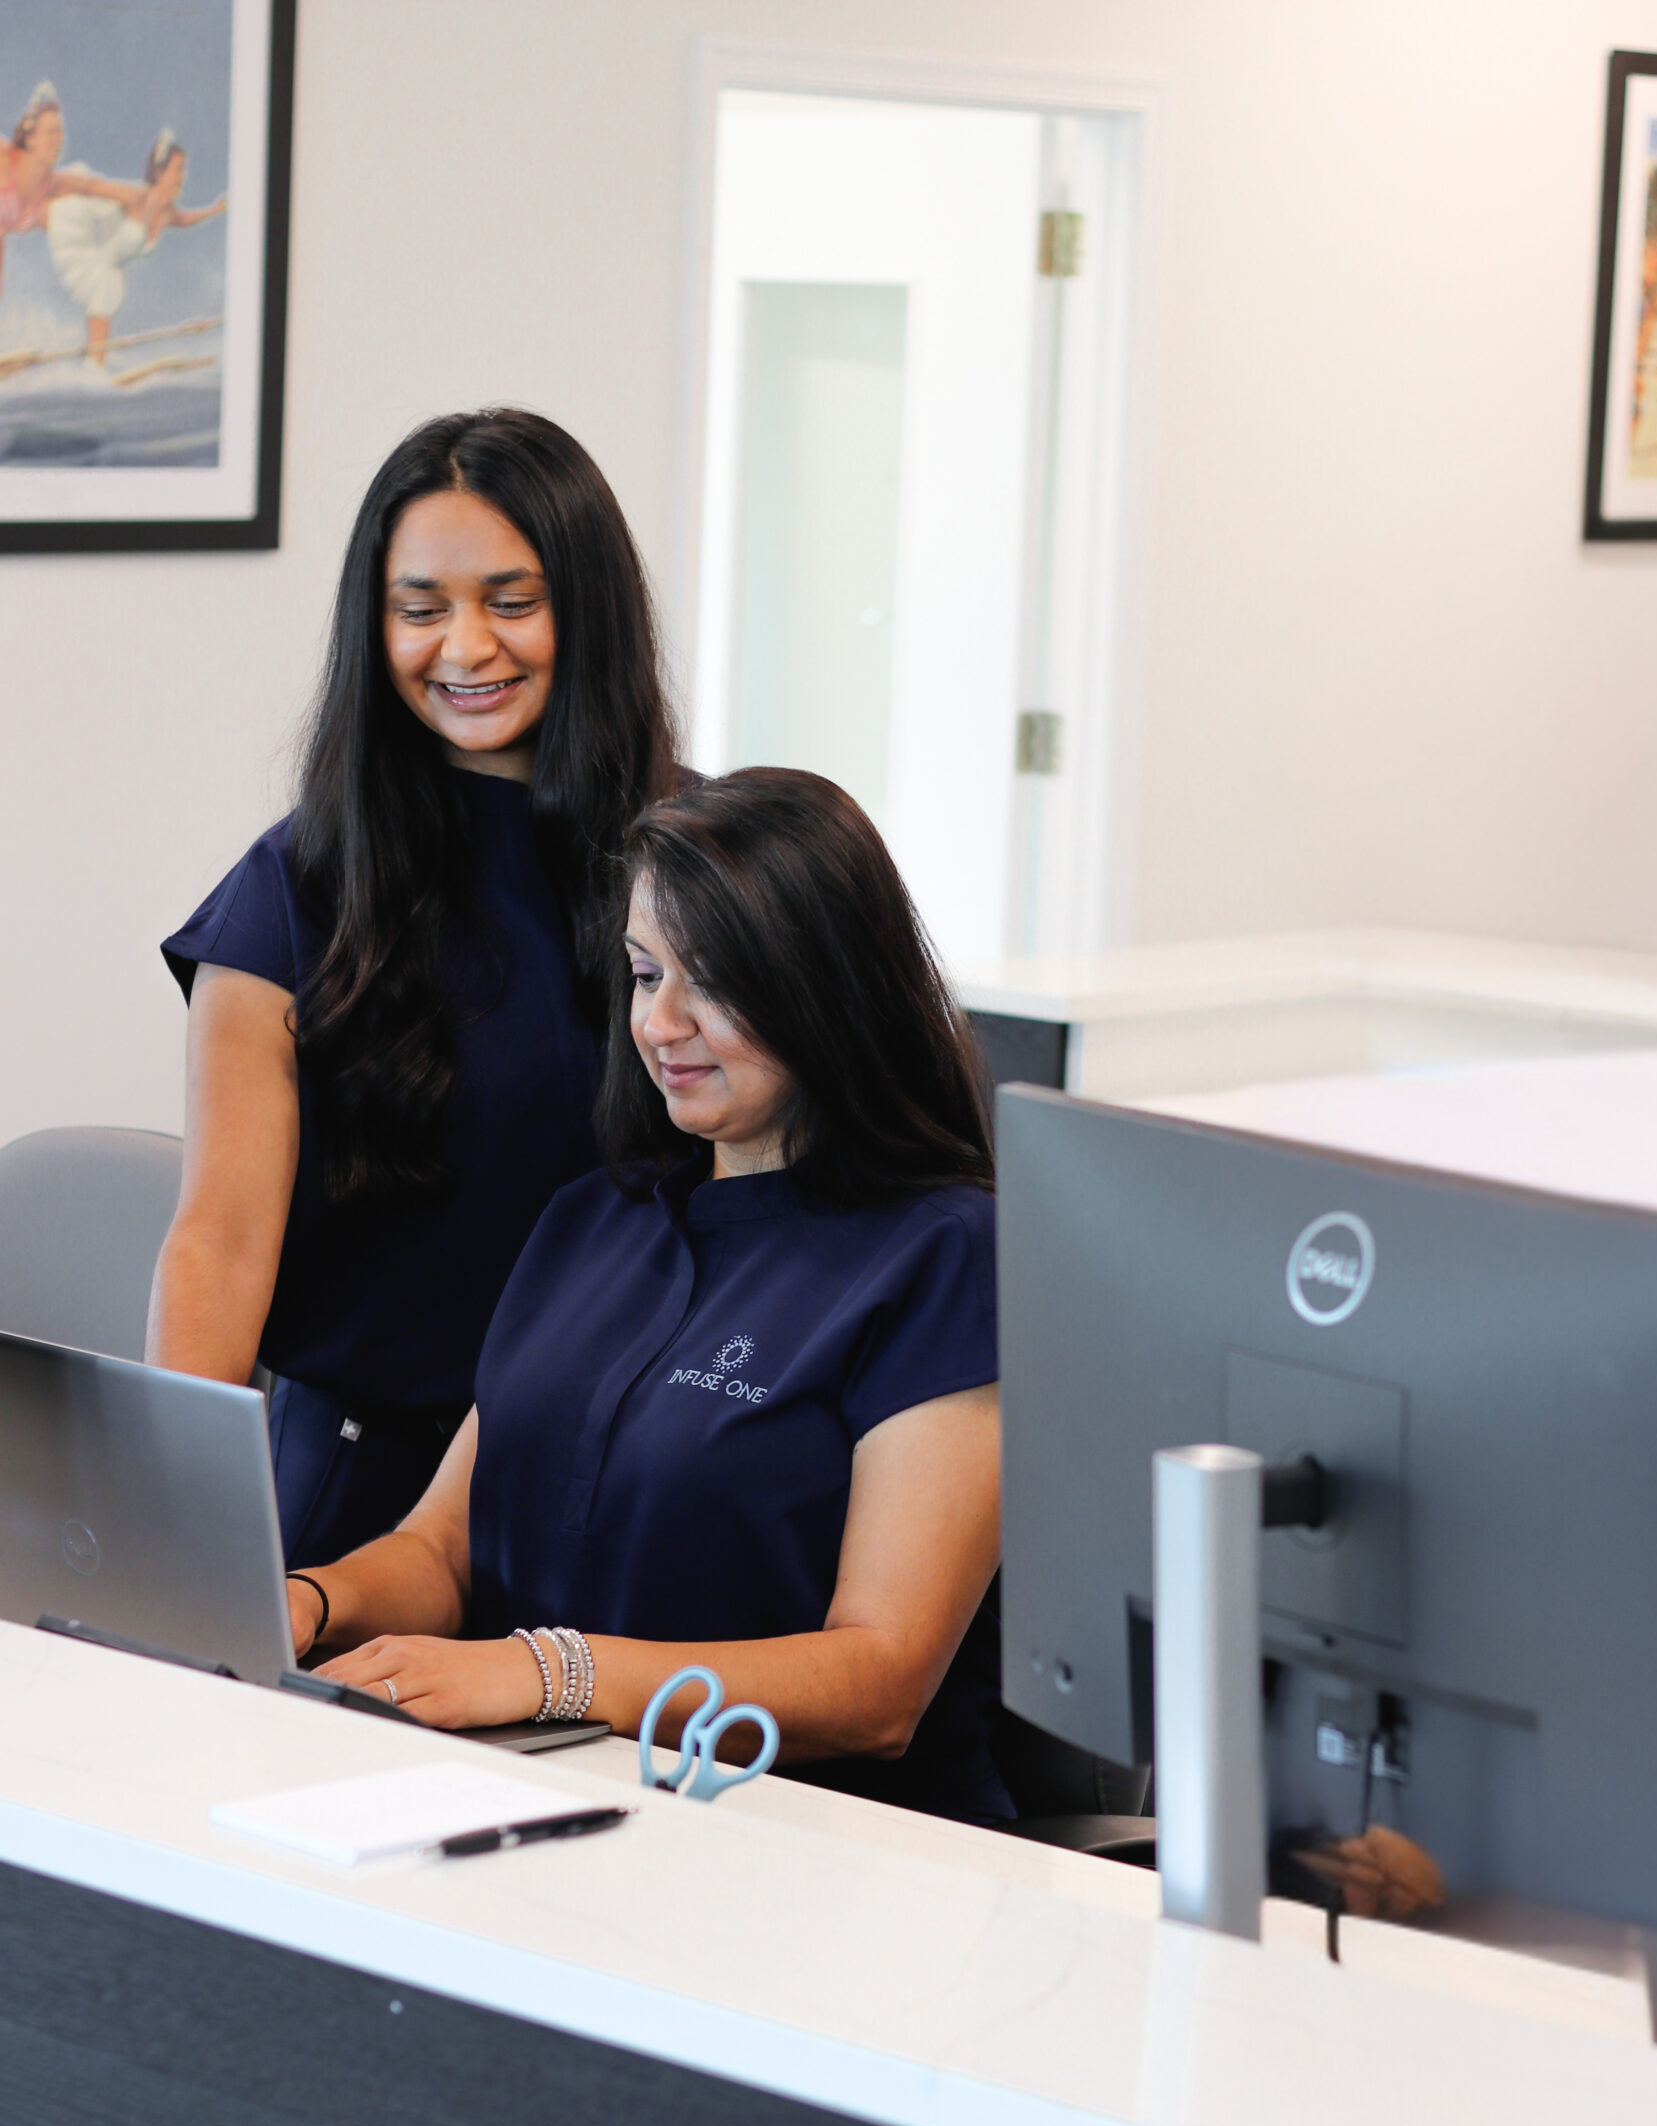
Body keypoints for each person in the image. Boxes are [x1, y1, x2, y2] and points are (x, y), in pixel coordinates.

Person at [292, 771, 1011, 1825]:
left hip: (812, 1842)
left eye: (709, 982)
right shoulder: (593, 1219)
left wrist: (553, 1673)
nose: (658, 1023)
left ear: (821, 984)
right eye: (642, 973)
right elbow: (442, 1550)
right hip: (537, 1793)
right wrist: (308, 1601)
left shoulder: (943, 1255)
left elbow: (882, 1683)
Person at [151, 409, 678, 1566]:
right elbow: (221, 1241)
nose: (466, 647)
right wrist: (174, 1529)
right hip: (357, 1488)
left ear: (585, 605)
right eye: (421, 607)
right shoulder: (289, 889)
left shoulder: (701, 866)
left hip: (628, 1470)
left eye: (513, 600)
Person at [45, 128, 226, 365]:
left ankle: (95, 362)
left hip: (111, 268)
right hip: (93, 259)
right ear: (159, 172)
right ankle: (94, 366)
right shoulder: (138, 197)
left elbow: (184, 220)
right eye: (177, 169)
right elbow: (94, 187)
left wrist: (214, 210)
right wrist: (50, 184)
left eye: (183, 169)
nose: (182, 176)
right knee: (104, 295)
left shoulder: (168, 212)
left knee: (108, 295)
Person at [0, 83, 135, 298]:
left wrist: (145, 198)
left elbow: (96, 187)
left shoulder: (54, 183)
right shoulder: (5, 158)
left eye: (60, 133)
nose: (59, 140)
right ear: (30, 138)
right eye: (51, 132)